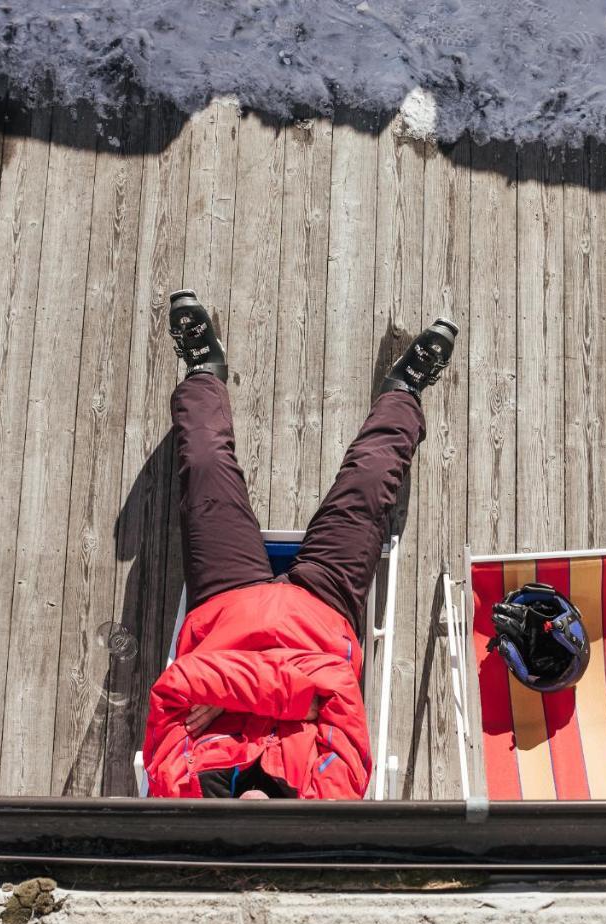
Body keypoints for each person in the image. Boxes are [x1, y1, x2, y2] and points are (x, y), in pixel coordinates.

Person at [142, 290, 458, 799]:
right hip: (322, 608)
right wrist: (239, 694)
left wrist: (282, 698)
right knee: (371, 481)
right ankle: (404, 391)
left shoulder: (185, 795)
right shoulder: (325, 800)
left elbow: (176, 686)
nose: (248, 807)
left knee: (203, 465)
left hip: (225, 604)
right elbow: (336, 684)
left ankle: (204, 369)